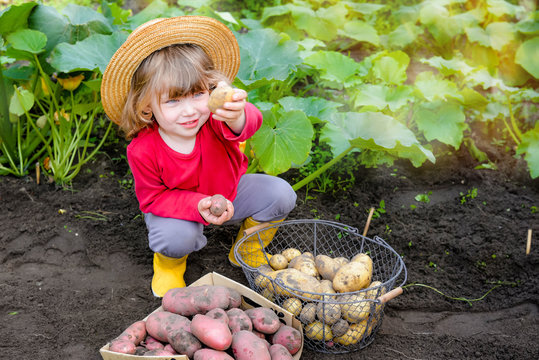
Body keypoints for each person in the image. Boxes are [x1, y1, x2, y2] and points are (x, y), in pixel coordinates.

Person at [100, 16, 297, 297]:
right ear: (146, 106)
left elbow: (247, 127)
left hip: (229, 193)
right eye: (173, 100)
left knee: (280, 194)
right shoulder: (143, 149)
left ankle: (248, 249)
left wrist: (238, 114)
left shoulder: (215, 119)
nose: (190, 110)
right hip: (177, 210)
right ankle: (170, 265)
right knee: (176, 237)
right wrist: (198, 204)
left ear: (211, 89)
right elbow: (153, 199)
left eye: (197, 95)